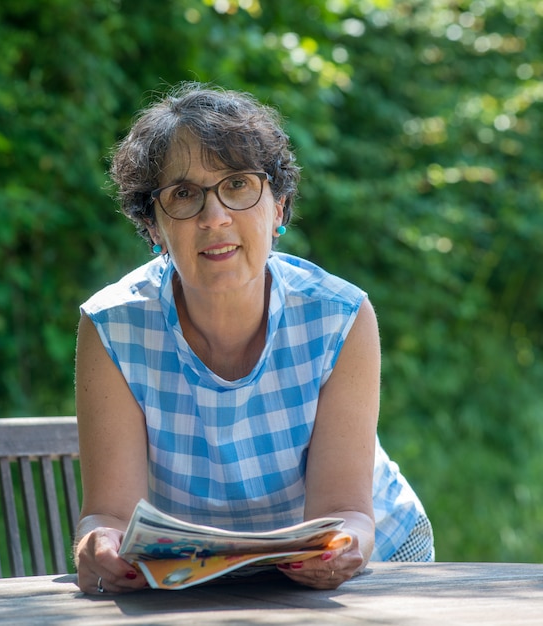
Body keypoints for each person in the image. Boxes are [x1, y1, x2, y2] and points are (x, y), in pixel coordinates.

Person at [74, 82, 434, 595]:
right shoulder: (113, 326)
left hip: (371, 566)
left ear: (279, 206)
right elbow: (108, 516)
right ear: (152, 226)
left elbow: (345, 512)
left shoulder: (339, 315)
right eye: (183, 195)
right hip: (197, 578)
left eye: (238, 184)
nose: (213, 216)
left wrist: (343, 544)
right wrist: (99, 545)